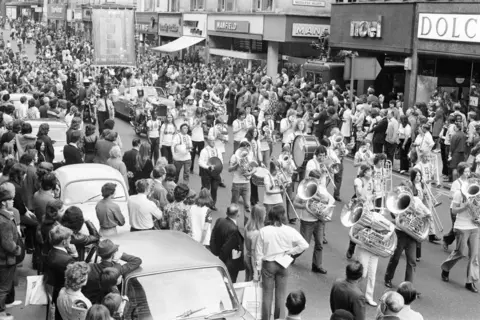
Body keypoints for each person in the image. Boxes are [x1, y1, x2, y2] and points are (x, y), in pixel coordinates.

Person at [255, 205, 309, 320]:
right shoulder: (290, 231)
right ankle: (278, 318)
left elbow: (259, 253)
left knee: (267, 295)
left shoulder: (264, 231)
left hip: (268, 264)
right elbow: (305, 244)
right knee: (280, 295)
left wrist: (258, 269)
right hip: (283, 263)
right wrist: (292, 251)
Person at [441, 165, 479, 293]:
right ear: (468, 182)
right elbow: (453, 211)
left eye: (477, 182)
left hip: (474, 227)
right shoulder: (459, 193)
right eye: (473, 182)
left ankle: (470, 281)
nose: (475, 185)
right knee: (460, 252)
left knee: (473, 255)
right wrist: (465, 206)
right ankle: (446, 268)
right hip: (461, 226)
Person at [82, 239, 142, 304]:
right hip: (107, 303)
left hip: (88, 302)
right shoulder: (117, 269)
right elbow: (137, 260)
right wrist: (121, 255)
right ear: (113, 254)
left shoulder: (89, 267)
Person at [44, 225, 77, 320]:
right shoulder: (68, 259)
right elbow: (76, 272)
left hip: (52, 287)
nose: (70, 240)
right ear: (64, 241)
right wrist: (74, 254)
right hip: (62, 291)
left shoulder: (51, 251)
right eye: (69, 238)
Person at [0, 189, 23, 315]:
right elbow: (8, 244)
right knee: (3, 287)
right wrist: (18, 250)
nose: (12, 201)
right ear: (3, 203)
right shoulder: (5, 221)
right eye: (9, 199)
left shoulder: (4, 217)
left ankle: (7, 303)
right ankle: (1, 312)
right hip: (5, 259)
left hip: (3, 258)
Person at [209, 204, 245, 283]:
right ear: (237, 214)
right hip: (228, 262)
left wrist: (214, 252)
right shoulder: (234, 230)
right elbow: (226, 248)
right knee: (230, 282)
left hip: (218, 255)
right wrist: (221, 259)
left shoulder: (220, 220)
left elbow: (213, 236)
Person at [229, 141, 254, 226]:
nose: (246, 149)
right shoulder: (234, 156)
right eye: (245, 147)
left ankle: (246, 225)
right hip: (236, 183)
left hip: (246, 183)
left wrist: (250, 173)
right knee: (234, 205)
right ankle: (231, 223)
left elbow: (255, 168)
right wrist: (237, 165)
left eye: (248, 147)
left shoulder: (249, 156)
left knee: (247, 205)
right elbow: (229, 169)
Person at [198, 135, 223, 209]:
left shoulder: (217, 150)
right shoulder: (204, 151)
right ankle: (202, 202)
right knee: (206, 189)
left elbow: (220, 159)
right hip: (206, 172)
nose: (213, 142)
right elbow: (200, 162)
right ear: (208, 141)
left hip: (215, 173)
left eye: (214, 140)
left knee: (214, 189)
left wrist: (219, 167)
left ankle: (212, 204)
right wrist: (207, 167)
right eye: (211, 140)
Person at [244, 204, 265, 282]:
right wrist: (255, 272)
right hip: (253, 261)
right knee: (252, 284)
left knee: (247, 280)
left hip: (247, 256)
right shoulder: (257, 233)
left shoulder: (248, 226)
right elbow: (254, 253)